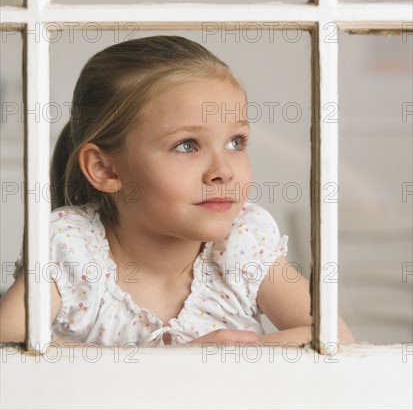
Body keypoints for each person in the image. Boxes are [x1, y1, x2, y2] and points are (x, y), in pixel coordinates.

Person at [0, 35, 355, 349]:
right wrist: (170, 365)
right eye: (186, 146)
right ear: (106, 169)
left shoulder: (242, 243)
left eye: (236, 141)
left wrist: (239, 355)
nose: (223, 171)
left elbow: (333, 336)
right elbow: (9, 344)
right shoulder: (70, 248)